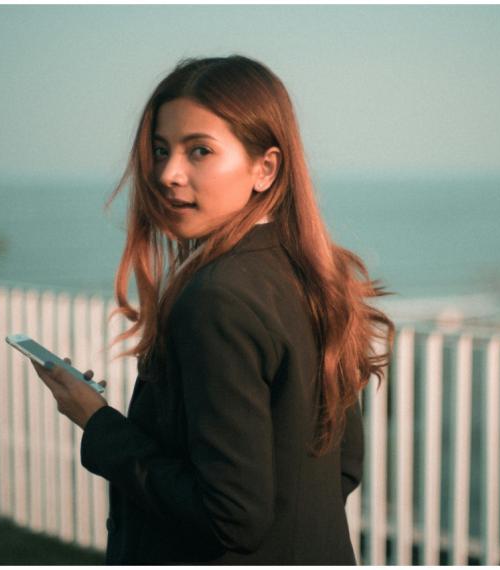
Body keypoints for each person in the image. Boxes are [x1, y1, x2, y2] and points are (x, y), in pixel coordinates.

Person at [32, 55, 395, 564]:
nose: (167, 174)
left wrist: (98, 424)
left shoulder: (217, 299)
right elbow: (343, 465)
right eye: (161, 150)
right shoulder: (311, 275)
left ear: (265, 168)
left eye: (199, 150)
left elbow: (231, 518)